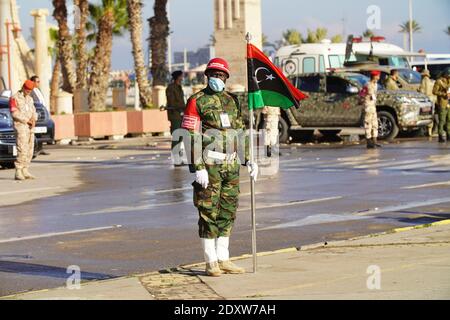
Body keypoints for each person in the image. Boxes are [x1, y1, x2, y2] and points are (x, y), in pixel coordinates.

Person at [181, 58, 258, 277]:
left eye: (221, 75)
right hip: (210, 164)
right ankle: (210, 261)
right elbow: (190, 135)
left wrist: (249, 159)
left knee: (227, 212)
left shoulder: (232, 101)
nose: (217, 78)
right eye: (214, 75)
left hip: (231, 164)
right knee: (208, 211)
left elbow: (241, 132)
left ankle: (223, 258)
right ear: (207, 76)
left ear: (226, 78)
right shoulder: (197, 101)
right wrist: (198, 167)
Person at [9, 80, 38, 180]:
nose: (28, 92)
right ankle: (18, 170)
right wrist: (26, 120)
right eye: (27, 90)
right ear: (23, 88)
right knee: (22, 148)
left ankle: (25, 169)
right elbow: (14, 113)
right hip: (21, 126)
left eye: (30, 90)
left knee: (30, 148)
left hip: (30, 127)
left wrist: (34, 119)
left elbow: (34, 110)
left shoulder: (30, 99)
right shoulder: (15, 98)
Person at [166, 70, 186, 165]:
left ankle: (178, 159)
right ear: (178, 77)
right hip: (175, 115)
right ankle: (176, 160)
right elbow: (172, 102)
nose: (182, 78)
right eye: (181, 76)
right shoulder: (170, 88)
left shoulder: (179, 87)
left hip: (181, 115)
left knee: (181, 136)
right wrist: (183, 105)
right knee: (176, 137)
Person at [363, 70, 381, 149]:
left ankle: (375, 141)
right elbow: (362, 94)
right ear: (375, 76)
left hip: (373, 106)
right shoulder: (367, 85)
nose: (379, 77)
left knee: (375, 124)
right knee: (368, 124)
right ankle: (369, 141)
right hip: (368, 106)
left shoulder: (375, 85)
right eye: (378, 75)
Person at [432, 69, 450, 143]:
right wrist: (444, 94)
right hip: (442, 102)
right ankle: (440, 135)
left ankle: (449, 134)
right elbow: (434, 91)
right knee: (442, 120)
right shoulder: (439, 81)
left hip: (449, 103)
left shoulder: (449, 81)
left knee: (449, 119)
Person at [418, 69, 437, 136]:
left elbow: (422, 91)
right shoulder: (430, 81)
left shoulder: (423, 81)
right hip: (432, 100)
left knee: (425, 115)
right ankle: (430, 131)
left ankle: (429, 132)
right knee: (431, 115)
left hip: (426, 100)